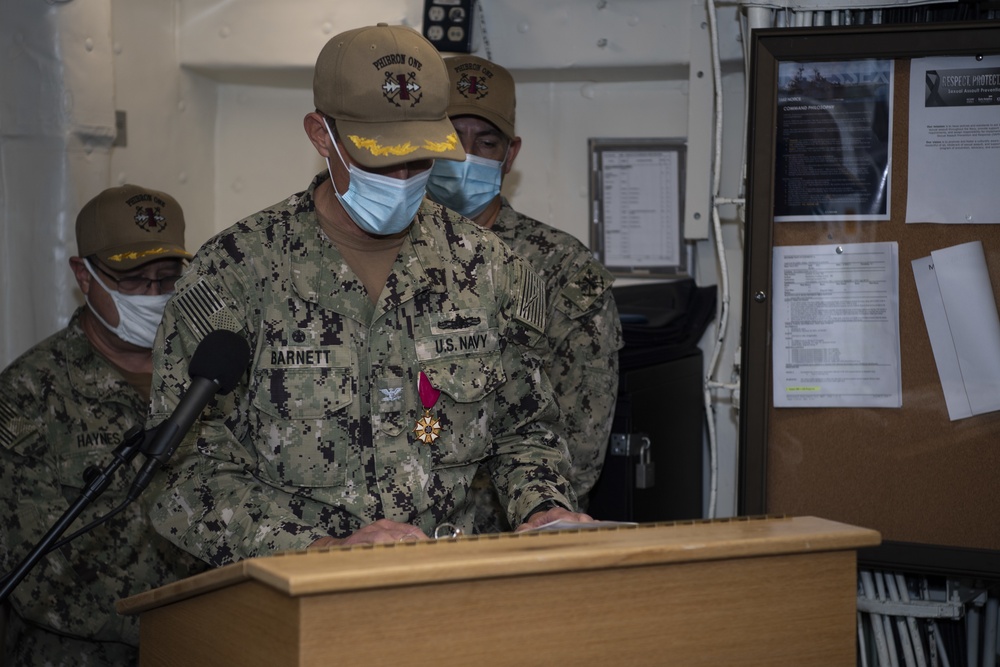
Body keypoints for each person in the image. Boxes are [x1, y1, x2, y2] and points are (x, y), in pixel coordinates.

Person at [146, 23, 592, 567]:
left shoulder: (486, 267)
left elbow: (525, 429)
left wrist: (543, 507)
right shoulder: (235, 275)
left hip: (450, 591)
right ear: (320, 135)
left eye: (422, 157)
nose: (403, 176)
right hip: (292, 602)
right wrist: (319, 549)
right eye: (381, 156)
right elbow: (183, 474)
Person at [0, 184, 207, 666]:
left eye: (168, 277)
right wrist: (184, 619)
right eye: (133, 279)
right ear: (85, 275)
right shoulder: (25, 398)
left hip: (213, 644)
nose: (153, 296)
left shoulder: (210, 376)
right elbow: (35, 574)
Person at [426, 55, 623, 532]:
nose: (464, 155)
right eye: (450, 138)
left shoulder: (562, 269)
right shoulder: (383, 251)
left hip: (509, 535)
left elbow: (579, 445)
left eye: (485, 142)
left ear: (510, 155)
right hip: (395, 534)